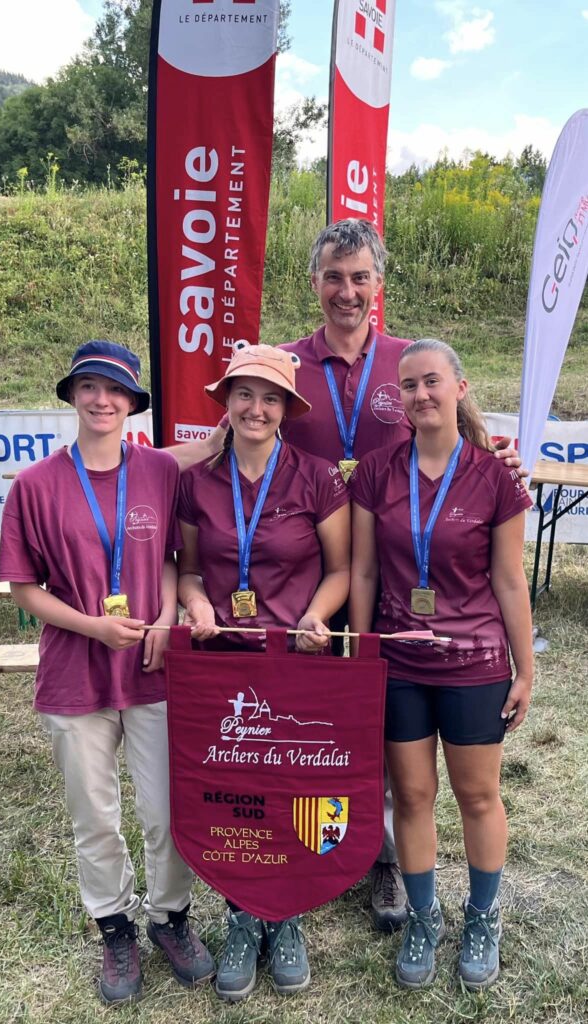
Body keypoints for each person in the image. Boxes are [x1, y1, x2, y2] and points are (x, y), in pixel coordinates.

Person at [169, 217, 525, 933]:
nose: (347, 290)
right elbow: (226, 435)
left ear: (378, 284)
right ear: (315, 283)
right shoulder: (286, 364)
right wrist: (142, 466)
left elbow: (464, 424)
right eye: (334, 277)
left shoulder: (406, 362)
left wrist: (498, 458)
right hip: (310, 582)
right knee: (324, 731)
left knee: (395, 750)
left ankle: (385, 862)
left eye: (360, 277)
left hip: (395, 575)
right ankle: (312, 856)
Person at [0, 340, 215, 1005]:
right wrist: (92, 626)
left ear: (131, 403)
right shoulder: (36, 485)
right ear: (71, 396)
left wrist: (162, 618)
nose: (101, 399)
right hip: (75, 675)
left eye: (114, 390)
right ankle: (115, 927)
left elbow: (179, 559)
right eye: (89, 387)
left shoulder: (157, 472)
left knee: (166, 810)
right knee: (94, 813)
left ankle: (171, 919)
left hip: (152, 669)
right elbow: (24, 588)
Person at [349, 338, 534, 991]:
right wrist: (364, 655)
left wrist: (525, 667)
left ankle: (482, 918)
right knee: (417, 796)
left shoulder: (495, 475)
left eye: (431, 382)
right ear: (397, 399)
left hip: (476, 663)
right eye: (408, 386)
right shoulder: (376, 471)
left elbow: (510, 581)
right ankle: (425, 918)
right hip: (399, 661)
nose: (420, 394)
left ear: (459, 387)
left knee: (479, 795)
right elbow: (364, 569)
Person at [176, 341, 350, 1002]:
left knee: (296, 793)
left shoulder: (317, 477)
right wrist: (194, 603)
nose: (255, 407)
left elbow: (339, 572)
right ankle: (244, 918)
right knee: (236, 798)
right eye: (243, 394)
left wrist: (316, 615)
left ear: (285, 409)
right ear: (226, 403)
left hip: (297, 662)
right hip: (223, 667)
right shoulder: (198, 482)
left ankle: (288, 916)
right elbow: (190, 571)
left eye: (269, 397)